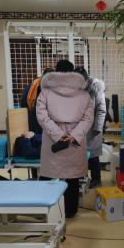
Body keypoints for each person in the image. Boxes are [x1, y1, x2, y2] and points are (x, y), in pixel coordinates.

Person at [36, 62, 93, 218]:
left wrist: (58, 135)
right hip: (74, 141)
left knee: (48, 175)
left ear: (56, 72)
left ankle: (45, 209)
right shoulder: (84, 94)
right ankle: (70, 210)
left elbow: (42, 117)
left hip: (52, 139)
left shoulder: (45, 92)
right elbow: (88, 118)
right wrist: (74, 135)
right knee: (72, 176)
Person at [77, 67, 107, 188]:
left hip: (93, 127)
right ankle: (82, 178)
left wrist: (98, 128)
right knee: (79, 155)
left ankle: (96, 180)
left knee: (93, 155)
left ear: (86, 79)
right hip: (79, 126)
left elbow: (101, 109)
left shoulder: (97, 87)